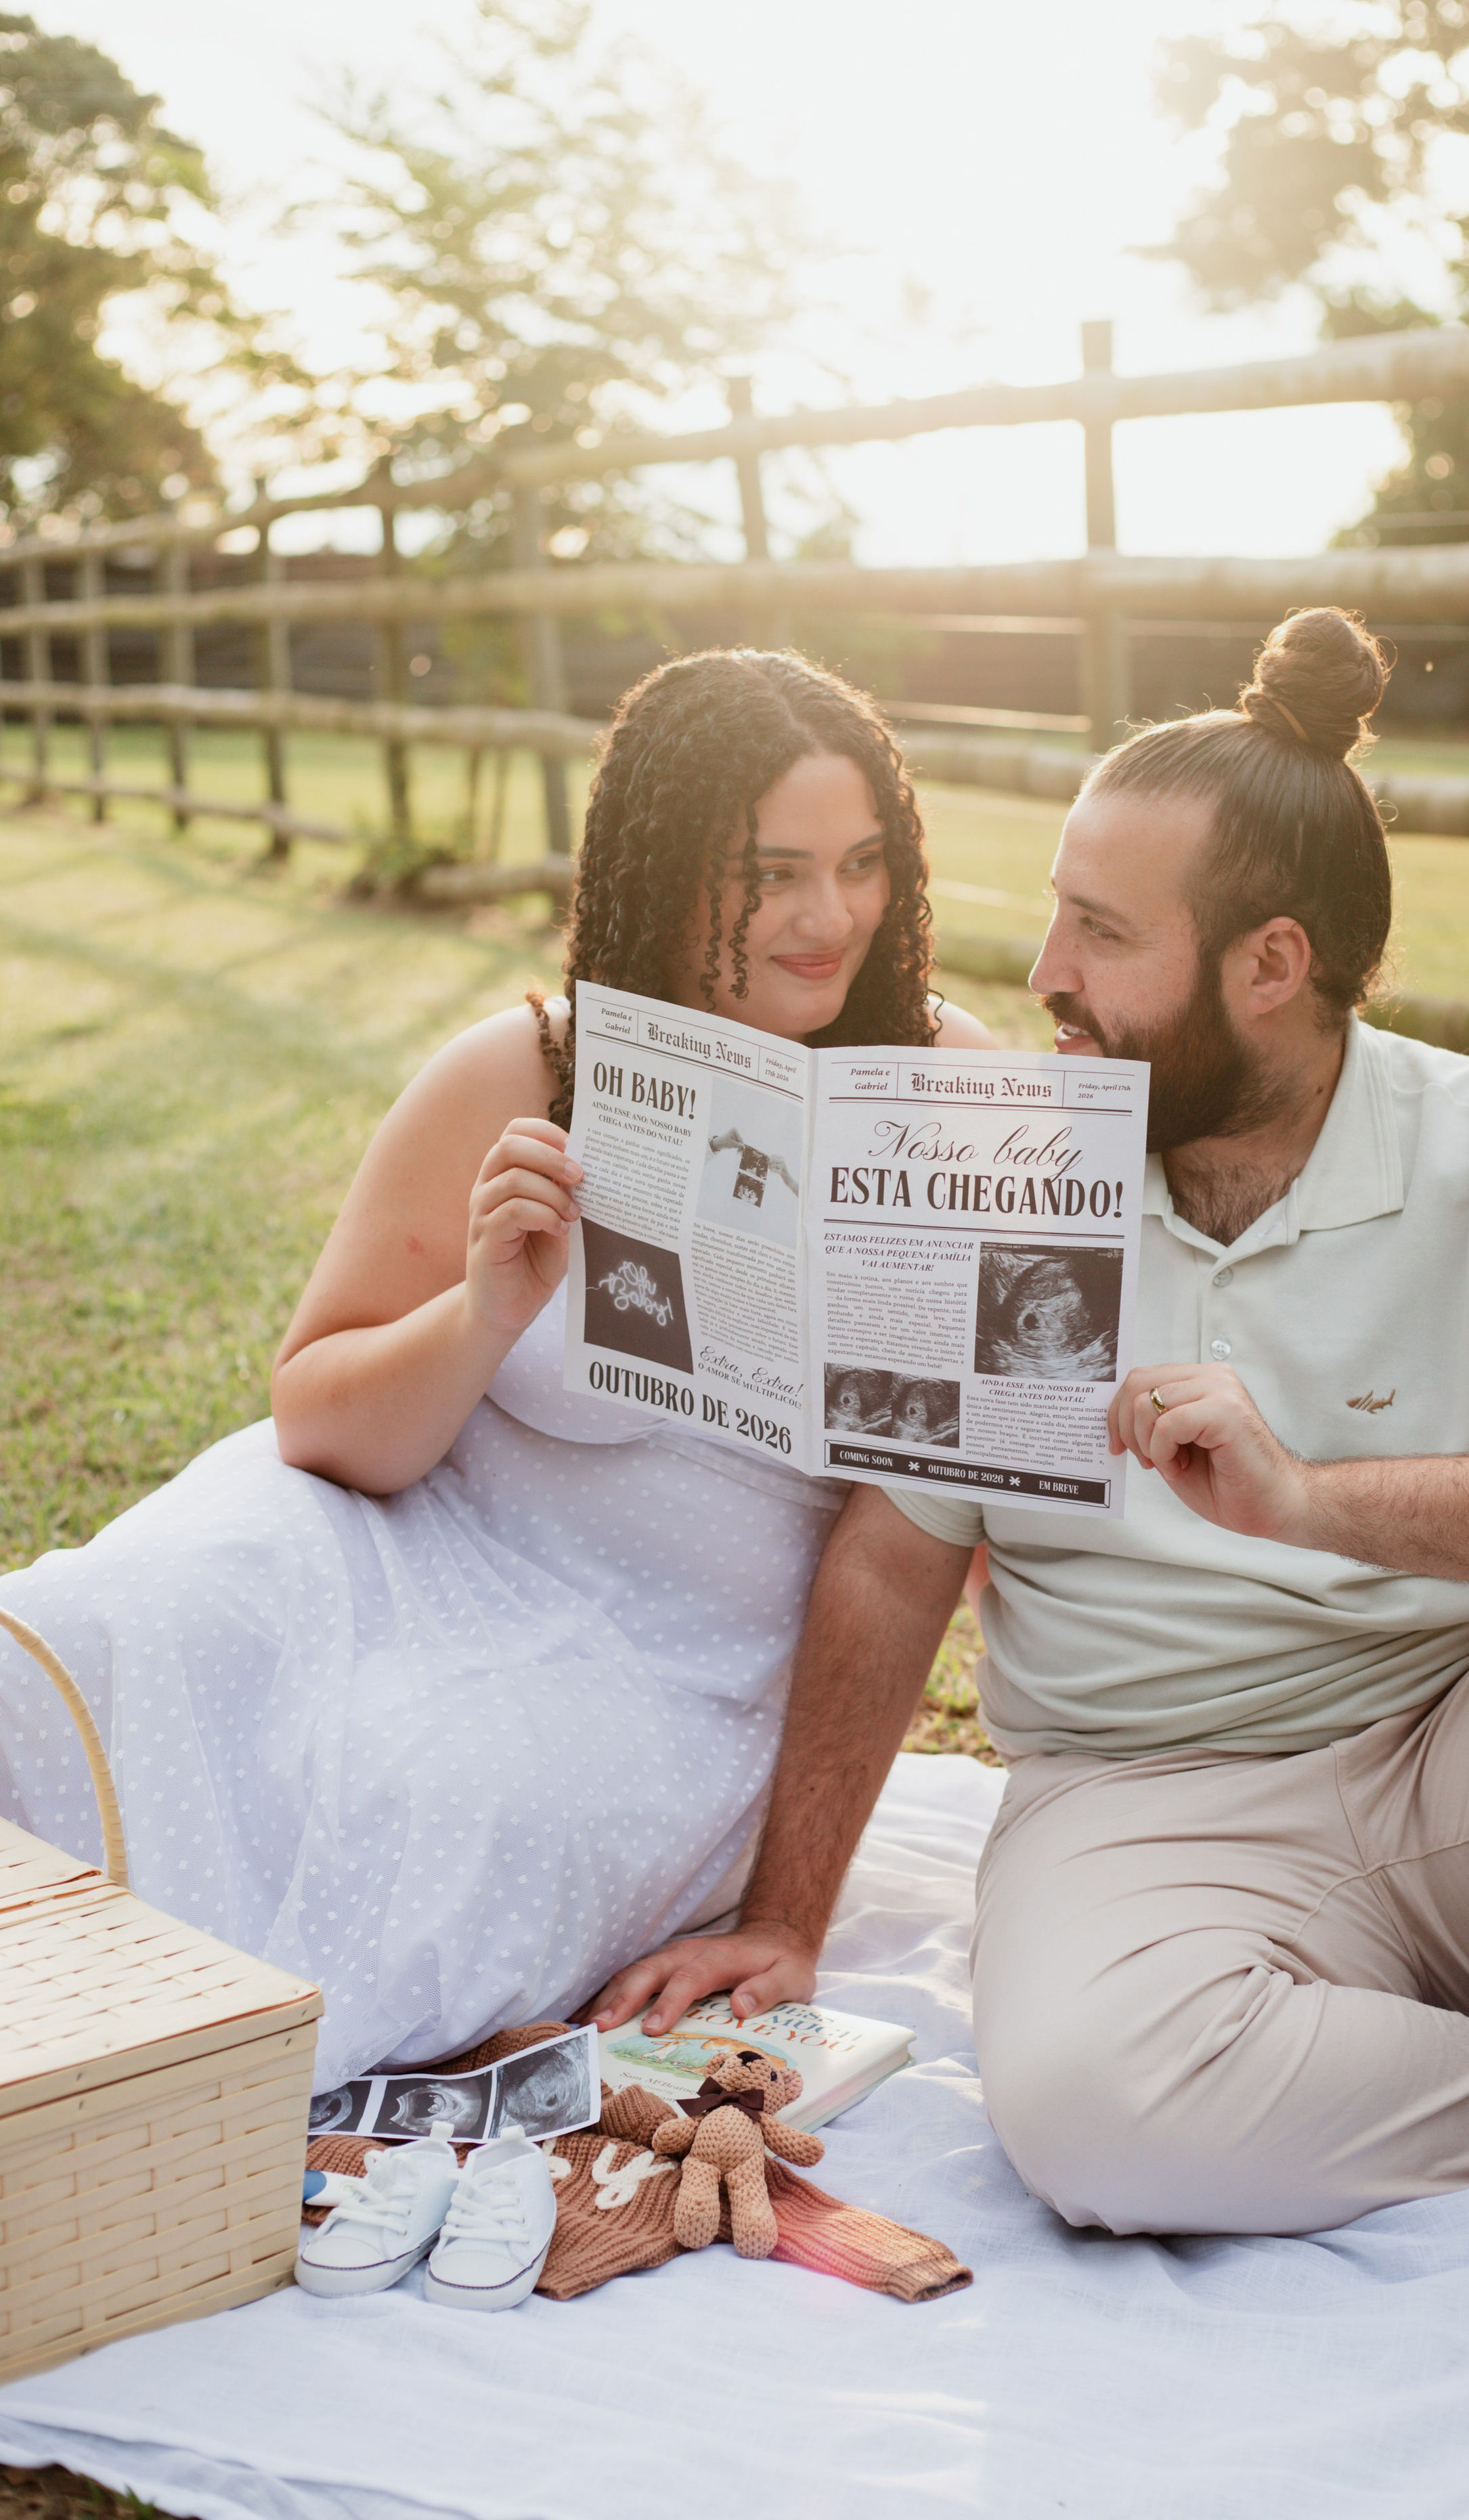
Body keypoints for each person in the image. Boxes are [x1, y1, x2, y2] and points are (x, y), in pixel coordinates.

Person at [592, 607, 1469, 2234]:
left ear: (1270, 966)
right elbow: (891, 1563)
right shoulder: (1004, 1177)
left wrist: (1311, 1502)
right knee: (1089, 2121)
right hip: (1146, 1804)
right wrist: (786, 1919)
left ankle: (1388, 2059)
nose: (1045, 973)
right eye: (1056, 915)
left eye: (1100, 933)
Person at [0, 648, 993, 2090]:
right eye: (769, 873)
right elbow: (318, 1423)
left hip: (685, 1661)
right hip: (406, 1541)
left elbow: (916, 1546)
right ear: (660, 873)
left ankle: (152, 2077)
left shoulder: (943, 1103)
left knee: (447, 1801)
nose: (827, 917)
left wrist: (789, 1906)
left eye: (860, 865)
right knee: (97, 1621)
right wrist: (479, 1313)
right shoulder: (522, 1071)